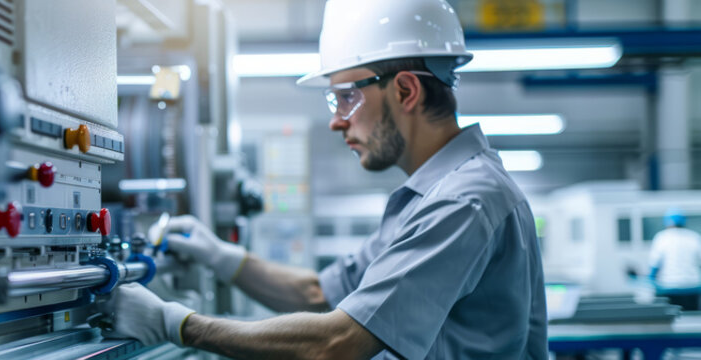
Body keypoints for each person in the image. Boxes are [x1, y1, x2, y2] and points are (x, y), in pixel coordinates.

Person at [101, 0, 547, 358]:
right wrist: (223, 258)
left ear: (406, 91)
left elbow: (337, 343)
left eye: (346, 97)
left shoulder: (464, 201)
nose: (337, 121)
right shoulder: (427, 197)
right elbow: (321, 294)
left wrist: (176, 324)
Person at [649, 208, 701, 311]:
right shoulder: (694, 237)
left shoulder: (662, 237)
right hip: (692, 287)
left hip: (668, 288)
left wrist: (650, 281)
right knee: (691, 317)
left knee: (670, 317)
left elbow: (654, 265)